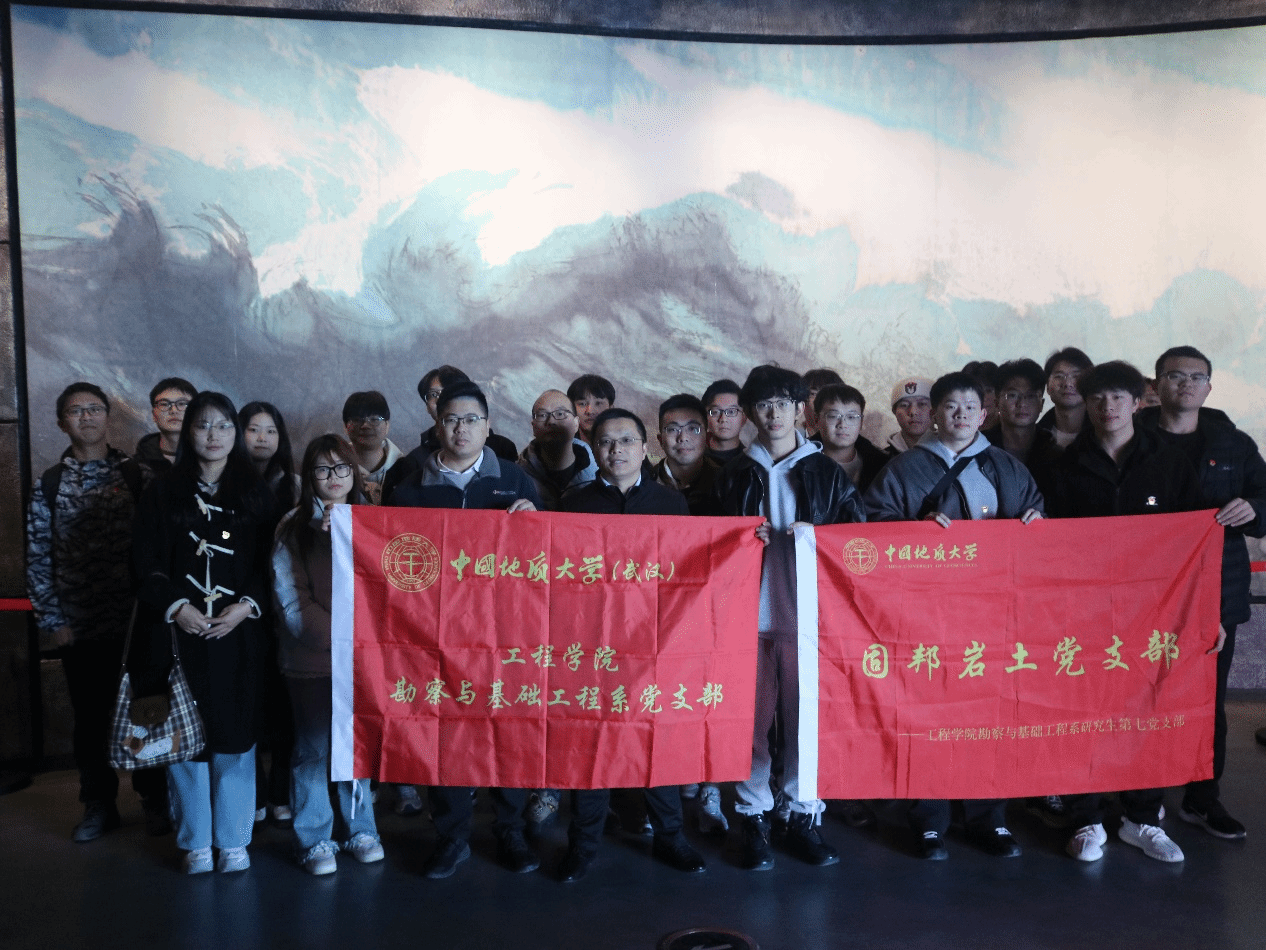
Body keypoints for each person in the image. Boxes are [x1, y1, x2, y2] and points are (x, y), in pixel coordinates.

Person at [865, 371, 1043, 861]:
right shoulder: (904, 469)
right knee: (928, 715)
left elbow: (1036, 516)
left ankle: (989, 818)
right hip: (927, 615)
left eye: (969, 407)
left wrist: (1037, 522)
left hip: (993, 613)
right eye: (950, 407)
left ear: (984, 415)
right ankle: (928, 820)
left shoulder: (1006, 466)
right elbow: (872, 526)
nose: (960, 415)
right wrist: (913, 531)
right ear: (934, 415)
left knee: (990, 714)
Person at [1045, 360, 1204, 864]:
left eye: (1118, 397)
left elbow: (1198, 543)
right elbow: (1048, 546)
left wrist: (1206, 614)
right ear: (1084, 404)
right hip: (1083, 615)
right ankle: (1085, 819)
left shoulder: (1170, 463)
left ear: (1138, 402)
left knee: (1147, 711)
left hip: (1154, 614)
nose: (1107, 407)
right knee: (1081, 712)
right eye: (1097, 398)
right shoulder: (1063, 465)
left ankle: (1141, 818)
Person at [388, 380, 542, 879]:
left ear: (488, 426)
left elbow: (545, 558)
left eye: (471, 420)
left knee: (510, 730)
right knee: (446, 734)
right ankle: (452, 836)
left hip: (506, 632)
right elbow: (388, 553)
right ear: (437, 425)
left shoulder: (515, 481)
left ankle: (510, 829)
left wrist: (536, 519)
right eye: (451, 419)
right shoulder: (409, 483)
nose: (461, 428)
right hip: (435, 633)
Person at [714, 365, 865, 871]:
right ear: (750, 414)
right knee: (749, 725)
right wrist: (739, 539)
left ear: (801, 410)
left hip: (809, 621)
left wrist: (816, 537)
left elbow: (857, 543)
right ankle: (752, 816)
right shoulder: (734, 473)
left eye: (784, 403)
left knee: (808, 722)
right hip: (748, 619)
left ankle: (803, 815)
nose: (773, 414)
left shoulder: (826, 473)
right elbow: (707, 543)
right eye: (763, 405)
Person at [556, 408, 709, 881]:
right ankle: (583, 845)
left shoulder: (670, 503)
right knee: (590, 743)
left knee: (655, 740)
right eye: (606, 442)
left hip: (654, 643)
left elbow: (691, 568)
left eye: (626, 441)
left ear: (645, 448)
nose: (616, 450)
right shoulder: (574, 505)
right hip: (592, 645)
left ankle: (671, 836)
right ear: (593, 448)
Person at [132, 391, 276, 874]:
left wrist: (245, 606)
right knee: (184, 739)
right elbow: (145, 559)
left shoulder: (254, 493)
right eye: (203, 425)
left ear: (236, 434)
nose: (213, 435)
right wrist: (177, 606)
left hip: (238, 634)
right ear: (188, 431)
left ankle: (233, 839)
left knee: (236, 737)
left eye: (223, 425)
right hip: (179, 635)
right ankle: (195, 840)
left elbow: (270, 563)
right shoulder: (162, 493)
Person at [26, 382, 168, 842]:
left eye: (94, 409)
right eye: (76, 411)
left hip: (136, 622)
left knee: (147, 712)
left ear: (108, 416)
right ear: (61, 422)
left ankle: (154, 799)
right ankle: (98, 804)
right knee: (90, 721)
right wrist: (53, 621)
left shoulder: (137, 475)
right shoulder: (50, 483)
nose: (86, 417)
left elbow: (157, 547)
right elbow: (38, 556)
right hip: (79, 626)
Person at [1138, 346, 1266, 842]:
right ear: (1156, 385)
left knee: (1208, 699)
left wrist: (1252, 508)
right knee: (1141, 693)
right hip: (1145, 595)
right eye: (1175, 376)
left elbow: (1265, 497)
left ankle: (1202, 797)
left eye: (1197, 377)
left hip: (1217, 593)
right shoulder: (1133, 436)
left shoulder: (1232, 443)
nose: (1186, 384)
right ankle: (1140, 797)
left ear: (1209, 387)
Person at [273, 434, 385, 875]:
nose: (334, 477)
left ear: (354, 472)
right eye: (323, 469)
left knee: (356, 747)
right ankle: (314, 837)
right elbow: (291, 600)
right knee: (314, 749)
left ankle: (361, 829)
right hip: (312, 659)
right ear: (309, 477)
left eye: (342, 468)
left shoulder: (373, 519)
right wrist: (343, 637)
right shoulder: (292, 527)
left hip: (363, 660)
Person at [238, 400, 298, 828]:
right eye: (254, 429)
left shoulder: (294, 485)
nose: (263, 438)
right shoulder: (226, 483)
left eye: (271, 430)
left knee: (287, 706)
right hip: (240, 606)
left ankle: (279, 790)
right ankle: (254, 791)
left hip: (287, 606)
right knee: (248, 704)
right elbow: (221, 537)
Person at [381, 365, 517, 503]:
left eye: (470, 419)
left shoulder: (506, 456)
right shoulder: (412, 464)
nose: (443, 399)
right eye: (434, 395)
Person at [517, 389, 599, 511]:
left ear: (576, 423)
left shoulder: (602, 475)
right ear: (533, 426)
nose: (551, 421)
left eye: (560, 414)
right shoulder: (516, 477)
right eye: (542, 415)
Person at [813, 383, 889, 494]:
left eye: (851, 417)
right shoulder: (798, 462)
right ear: (817, 420)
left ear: (861, 422)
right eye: (833, 416)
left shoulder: (882, 466)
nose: (843, 424)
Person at [653, 394, 722, 518]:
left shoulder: (727, 482)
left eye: (693, 429)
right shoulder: (643, 482)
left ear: (707, 438)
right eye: (672, 429)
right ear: (660, 440)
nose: (683, 438)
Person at [341, 391, 404, 506]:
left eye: (375, 419)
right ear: (345, 427)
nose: (365, 425)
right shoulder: (335, 470)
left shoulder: (405, 469)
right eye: (357, 419)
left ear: (387, 425)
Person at [135, 377, 197, 474]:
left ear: (196, 412)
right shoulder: (135, 466)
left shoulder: (212, 458)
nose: (173, 410)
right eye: (164, 404)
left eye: (182, 404)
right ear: (154, 415)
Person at [1037, 347, 1093, 451]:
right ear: (1047, 386)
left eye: (1076, 376)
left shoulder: (1103, 432)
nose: (1067, 384)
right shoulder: (1035, 437)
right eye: (1059, 376)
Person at [884, 376, 934, 456]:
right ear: (894, 411)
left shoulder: (953, 454)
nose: (913, 412)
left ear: (937, 410)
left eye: (922, 404)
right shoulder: (881, 459)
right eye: (904, 405)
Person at [702, 379, 746, 465]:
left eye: (731, 411)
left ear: (744, 418)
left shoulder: (753, 463)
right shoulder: (691, 459)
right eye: (715, 412)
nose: (723, 419)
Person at [567, 374, 615, 443]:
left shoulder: (623, 443)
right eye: (582, 404)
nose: (590, 411)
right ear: (571, 409)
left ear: (611, 409)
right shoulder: (562, 444)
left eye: (598, 403)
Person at [801, 369, 845, 439]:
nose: (822, 400)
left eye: (830, 395)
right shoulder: (791, 441)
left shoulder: (855, 443)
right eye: (814, 394)